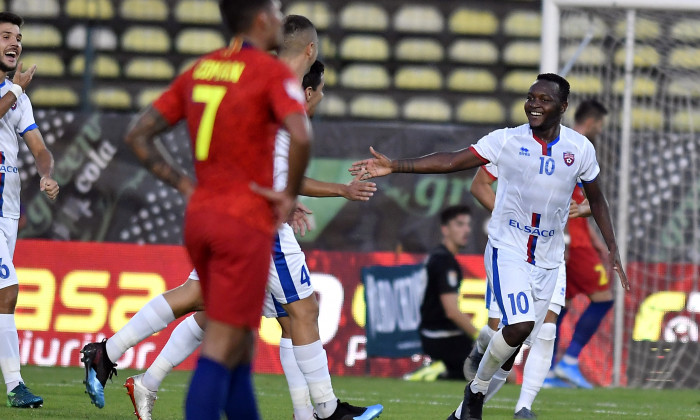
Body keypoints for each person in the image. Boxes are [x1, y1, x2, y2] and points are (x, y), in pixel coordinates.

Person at [349, 73, 629, 420]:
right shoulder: (507, 141)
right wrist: (396, 165)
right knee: (521, 327)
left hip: (551, 256)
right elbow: (452, 161)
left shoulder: (580, 148)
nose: (534, 105)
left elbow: (596, 198)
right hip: (508, 248)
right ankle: (480, 392)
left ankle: (498, 402)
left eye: (543, 99)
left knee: (533, 336)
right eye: (531, 97)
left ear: (563, 106)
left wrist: (612, 246)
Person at [86, 1, 313, 418]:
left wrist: (184, 184)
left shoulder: (202, 68)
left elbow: (138, 133)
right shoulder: (270, 72)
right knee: (224, 340)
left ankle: (120, 357)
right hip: (243, 220)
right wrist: (288, 194)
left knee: (236, 340)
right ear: (262, 19)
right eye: (276, 12)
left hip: (202, 215)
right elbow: (301, 136)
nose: (282, 20)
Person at [0, 11, 59, 409]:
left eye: (18, 36)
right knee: (8, 293)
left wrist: (46, 174)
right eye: (5, 35)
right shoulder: (15, 94)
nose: (14, 43)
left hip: (9, 212)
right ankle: (15, 384)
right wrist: (17, 92)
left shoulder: (18, 98)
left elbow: (39, 150)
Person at [415, 205, 478, 380]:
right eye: (459, 224)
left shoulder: (437, 256)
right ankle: (438, 371)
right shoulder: (444, 262)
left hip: (433, 335)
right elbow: (451, 310)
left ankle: (443, 372)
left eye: (468, 225)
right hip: (443, 338)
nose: (466, 230)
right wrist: (480, 336)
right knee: (501, 372)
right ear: (445, 229)